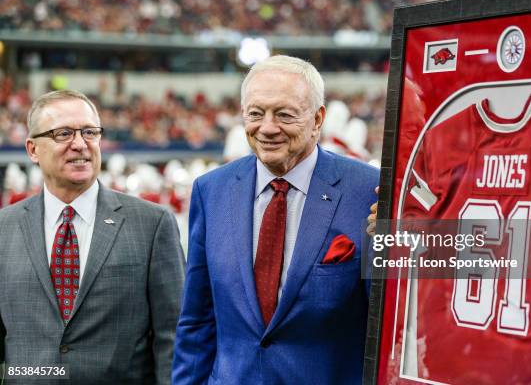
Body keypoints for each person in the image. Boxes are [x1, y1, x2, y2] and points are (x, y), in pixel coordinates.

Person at [172, 55, 379, 384]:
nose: (267, 127)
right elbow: (197, 320)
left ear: (317, 119)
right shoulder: (210, 190)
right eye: (256, 113)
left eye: (284, 114)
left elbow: (396, 319)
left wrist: (407, 240)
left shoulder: (371, 190)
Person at [0, 90, 185, 384]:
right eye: (63, 134)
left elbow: (173, 337)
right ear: (32, 149)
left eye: (89, 132)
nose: (80, 144)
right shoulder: (4, 227)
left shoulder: (152, 224)